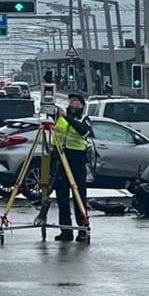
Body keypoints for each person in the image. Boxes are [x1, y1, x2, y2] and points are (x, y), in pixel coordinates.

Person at [51, 91, 94, 242]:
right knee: (62, 198)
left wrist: (66, 117)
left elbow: (83, 130)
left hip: (77, 161)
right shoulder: (61, 118)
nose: (73, 103)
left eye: (76, 101)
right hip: (61, 159)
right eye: (71, 101)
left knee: (79, 198)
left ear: (82, 105)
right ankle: (66, 231)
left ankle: (82, 229)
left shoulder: (84, 119)